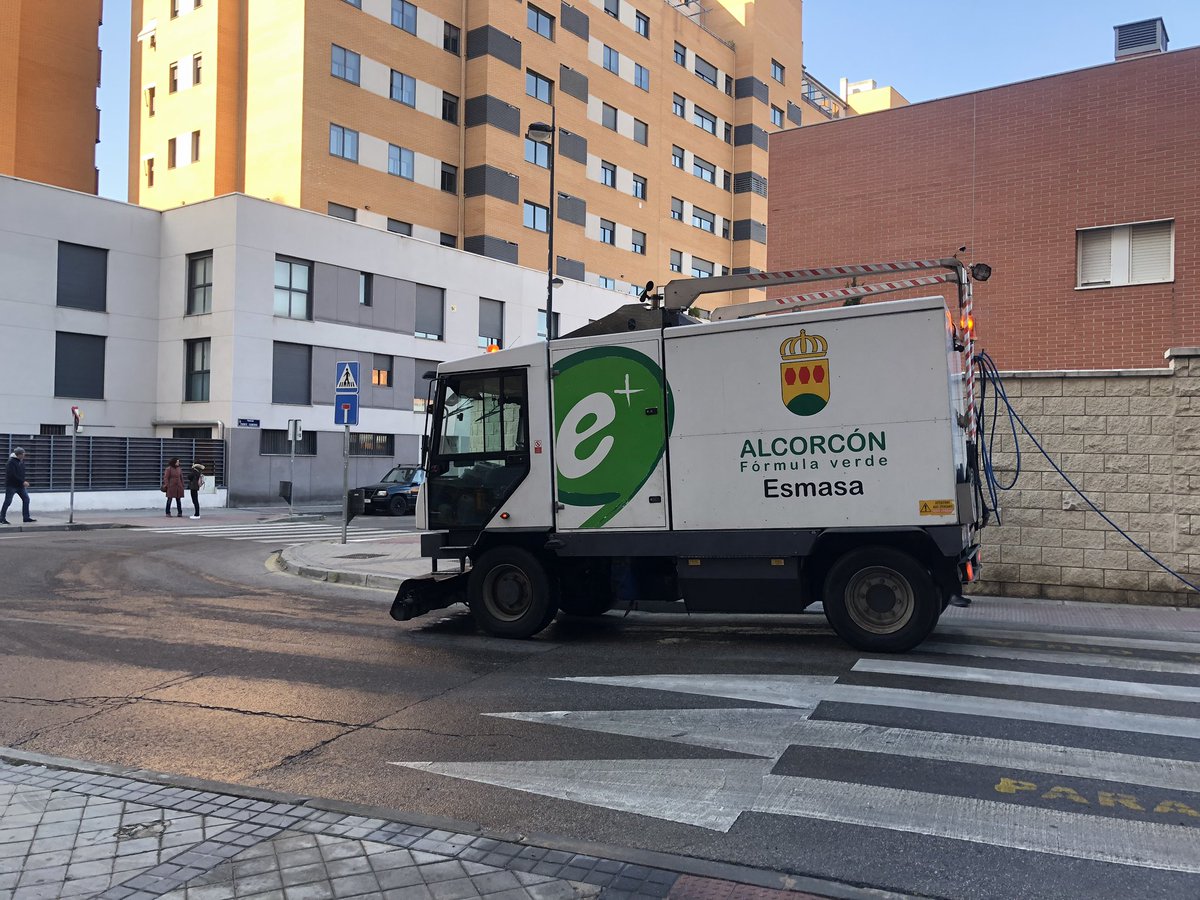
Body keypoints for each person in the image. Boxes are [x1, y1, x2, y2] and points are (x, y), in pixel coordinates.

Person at [1, 447, 35, 524]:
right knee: (8, 501)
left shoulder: (21, 462)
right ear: (19, 454)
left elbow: (21, 474)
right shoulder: (11, 462)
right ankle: (2, 518)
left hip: (20, 486)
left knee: (26, 499)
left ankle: (26, 517)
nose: (24, 455)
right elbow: (12, 475)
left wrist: (22, 482)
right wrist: (23, 482)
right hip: (11, 485)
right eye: (23, 454)